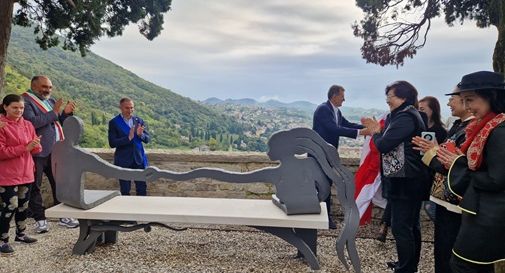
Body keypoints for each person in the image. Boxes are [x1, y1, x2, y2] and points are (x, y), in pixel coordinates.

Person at [436, 71, 505, 273]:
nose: (467, 107)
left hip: (490, 216)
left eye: (470, 100)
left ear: (491, 96)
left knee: (464, 265)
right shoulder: (490, 125)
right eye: (464, 101)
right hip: (483, 212)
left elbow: (496, 179)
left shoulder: (500, 130)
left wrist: (457, 163)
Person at [362, 81, 430, 273]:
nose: (387, 101)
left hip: (405, 181)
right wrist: (381, 133)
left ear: (403, 97)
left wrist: (376, 132)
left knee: (401, 227)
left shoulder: (405, 117)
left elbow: (384, 145)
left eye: (390, 97)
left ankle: (406, 268)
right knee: (411, 225)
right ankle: (407, 264)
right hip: (409, 179)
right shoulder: (406, 115)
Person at [412, 89, 474, 273]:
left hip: (455, 202)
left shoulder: (470, 130)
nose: (449, 104)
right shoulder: (459, 126)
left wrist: (433, 151)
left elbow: (451, 165)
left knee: (448, 249)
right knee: (442, 248)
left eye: (452, 99)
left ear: (466, 101)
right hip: (445, 200)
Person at [22, 75, 79, 233]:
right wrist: (54, 113)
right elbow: (32, 122)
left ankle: (64, 216)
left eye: (50, 87)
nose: (48, 90)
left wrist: (65, 114)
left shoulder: (51, 101)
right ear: (34, 86)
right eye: (44, 87)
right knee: (35, 186)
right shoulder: (25, 101)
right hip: (37, 152)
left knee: (60, 184)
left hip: (55, 151)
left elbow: (57, 122)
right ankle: (40, 219)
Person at [312, 85, 368, 229]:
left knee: (325, 183)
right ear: (334, 95)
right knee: (321, 184)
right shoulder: (324, 109)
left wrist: (365, 129)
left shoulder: (335, 111)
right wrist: (360, 133)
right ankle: (322, 216)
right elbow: (334, 129)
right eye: (342, 96)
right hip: (319, 154)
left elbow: (347, 124)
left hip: (327, 154)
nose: (344, 99)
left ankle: (323, 215)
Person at [0, 94, 42, 254]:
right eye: (15, 107)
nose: (19, 110)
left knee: (23, 206)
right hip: (7, 174)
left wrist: (36, 146)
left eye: (22, 108)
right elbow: (1, 152)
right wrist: (25, 148)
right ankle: (3, 240)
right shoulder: (1, 125)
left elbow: (35, 149)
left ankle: (21, 234)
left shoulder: (28, 124)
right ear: (5, 107)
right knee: (10, 206)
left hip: (26, 172)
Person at [108, 98, 150, 196]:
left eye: (132, 108)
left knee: (142, 189)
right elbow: (112, 143)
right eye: (127, 108)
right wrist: (128, 138)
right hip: (123, 161)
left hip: (139, 160)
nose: (130, 110)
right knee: (125, 190)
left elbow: (147, 139)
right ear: (120, 108)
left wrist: (140, 135)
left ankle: (140, 210)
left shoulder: (139, 121)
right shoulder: (114, 122)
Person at [418, 96, 448, 221]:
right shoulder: (419, 128)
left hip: (432, 174)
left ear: (433, 110)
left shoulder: (440, 131)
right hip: (420, 173)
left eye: (423, 109)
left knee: (431, 207)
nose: (420, 112)